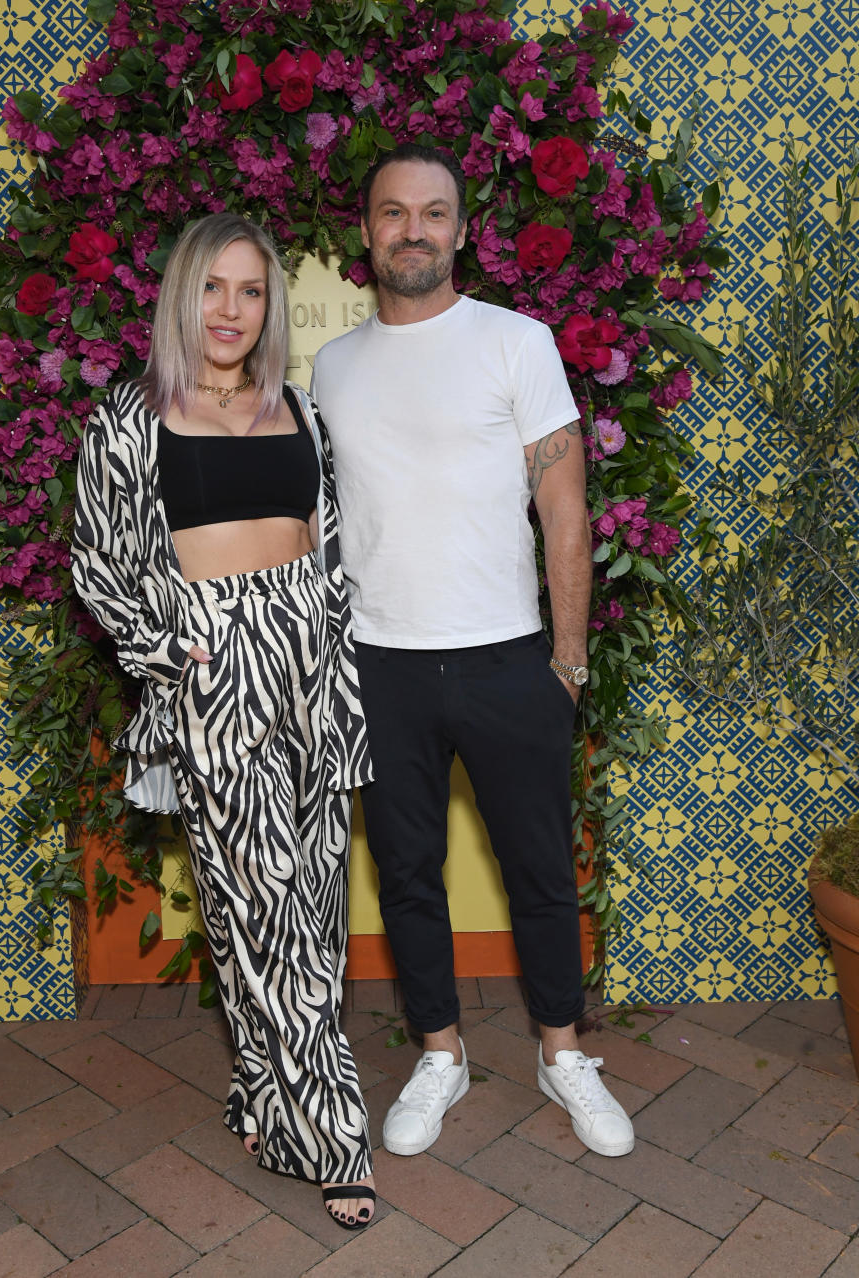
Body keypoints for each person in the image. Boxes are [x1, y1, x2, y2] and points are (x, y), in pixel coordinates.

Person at [311, 144, 634, 1160]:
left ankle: (560, 1052)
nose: (415, 229)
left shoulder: (517, 342)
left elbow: (565, 508)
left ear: (462, 229)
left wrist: (568, 660)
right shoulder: (332, 367)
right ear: (366, 232)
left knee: (540, 871)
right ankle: (441, 1054)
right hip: (380, 666)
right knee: (407, 873)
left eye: (434, 212)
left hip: (508, 660)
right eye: (394, 212)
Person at [71, 213, 377, 1229]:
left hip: (312, 670)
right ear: (180, 297)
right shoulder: (130, 418)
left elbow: (329, 536)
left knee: (313, 906)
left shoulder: (300, 407)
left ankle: (261, 1088)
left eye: (250, 291)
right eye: (213, 289)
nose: (231, 311)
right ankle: (334, 1138)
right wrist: (168, 651)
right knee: (261, 902)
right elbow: (100, 563)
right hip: (216, 673)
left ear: (270, 306)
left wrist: (328, 626)